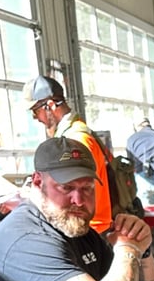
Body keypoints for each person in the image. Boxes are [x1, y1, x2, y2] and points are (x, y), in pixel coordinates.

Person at [0, 137, 154, 281]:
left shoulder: (75, 227)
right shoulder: (26, 239)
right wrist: (128, 248)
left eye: (86, 188)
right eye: (66, 188)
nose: (78, 200)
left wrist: (142, 247)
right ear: (38, 182)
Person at [25, 75, 112, 233]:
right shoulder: (77, 133)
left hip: (89, 229)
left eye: (35, 111)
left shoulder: (76, 140)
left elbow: (77, 195)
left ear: (50, 105)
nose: (36, 118)